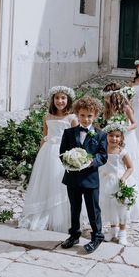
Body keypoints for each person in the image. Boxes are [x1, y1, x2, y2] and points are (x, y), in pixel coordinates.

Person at [19, 86, 77, 233]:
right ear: (53, 100)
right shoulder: (47, 117)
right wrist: (39, 154)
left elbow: (75, 140)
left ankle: (59, 218)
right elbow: (44, 137)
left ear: (68, 100)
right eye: (57, 98)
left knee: (59, 183)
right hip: (48, 153)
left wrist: (74, 157)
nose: (60, 101)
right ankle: (43, 212)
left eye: (63, 98)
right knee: (45, 182)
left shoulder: (72, 118)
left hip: (63, 154)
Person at [59, 96, 108, 253]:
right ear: (77, 114)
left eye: (89, 116)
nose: (86, 119)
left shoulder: (100, 135)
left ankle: (97, 236)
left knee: (93, 209)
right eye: (82, 115)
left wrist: (91, 162)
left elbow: (103, 155)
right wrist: (69, 162)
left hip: (90, 179)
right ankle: (74, 234)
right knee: (75, 208)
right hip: (72, 178)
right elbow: (62, 153)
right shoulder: (69, 133)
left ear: (95, 116)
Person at [102, 83, 139, 221]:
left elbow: (134, 123)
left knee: (127, 162)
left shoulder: (126, 108)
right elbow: (105, 124)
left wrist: (124, 129)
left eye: (108, 97)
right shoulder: (107, 110)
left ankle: (129, 187)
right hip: (112, 140)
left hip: (126, 137)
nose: (106, 100)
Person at [99, 123, 139, 246]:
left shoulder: (122, 151)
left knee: (122, 207)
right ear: (106, 136)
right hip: (107, 181)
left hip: (120, 181)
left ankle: (123, 232)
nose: (114, 138)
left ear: (122, 138)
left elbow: (130, 167)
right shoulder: (102, 149)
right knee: (110, 206)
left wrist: (124, 178)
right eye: (111, 135)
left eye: (117, 136)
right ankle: (113, 229)